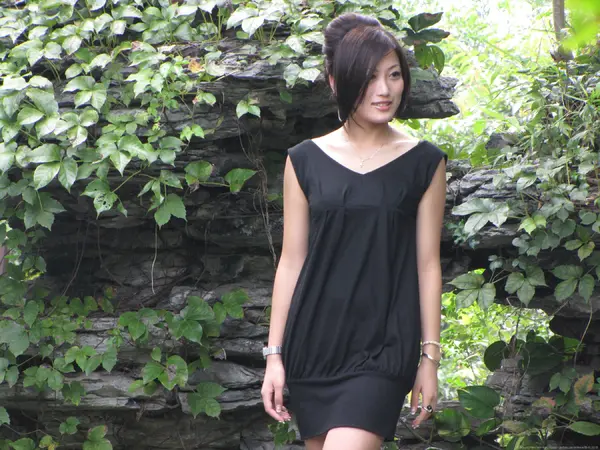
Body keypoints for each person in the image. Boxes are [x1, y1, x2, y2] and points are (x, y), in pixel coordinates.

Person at [261, 12, 447, 450]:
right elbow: (292, 261)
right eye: (369, 77)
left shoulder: (425, 162)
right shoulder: (303, 160)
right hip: (313, 346)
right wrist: (274, 356)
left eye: (394, 75)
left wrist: (430, 358)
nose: (385, 90)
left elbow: (428, 265)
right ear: (336, 81)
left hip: (383, 349)